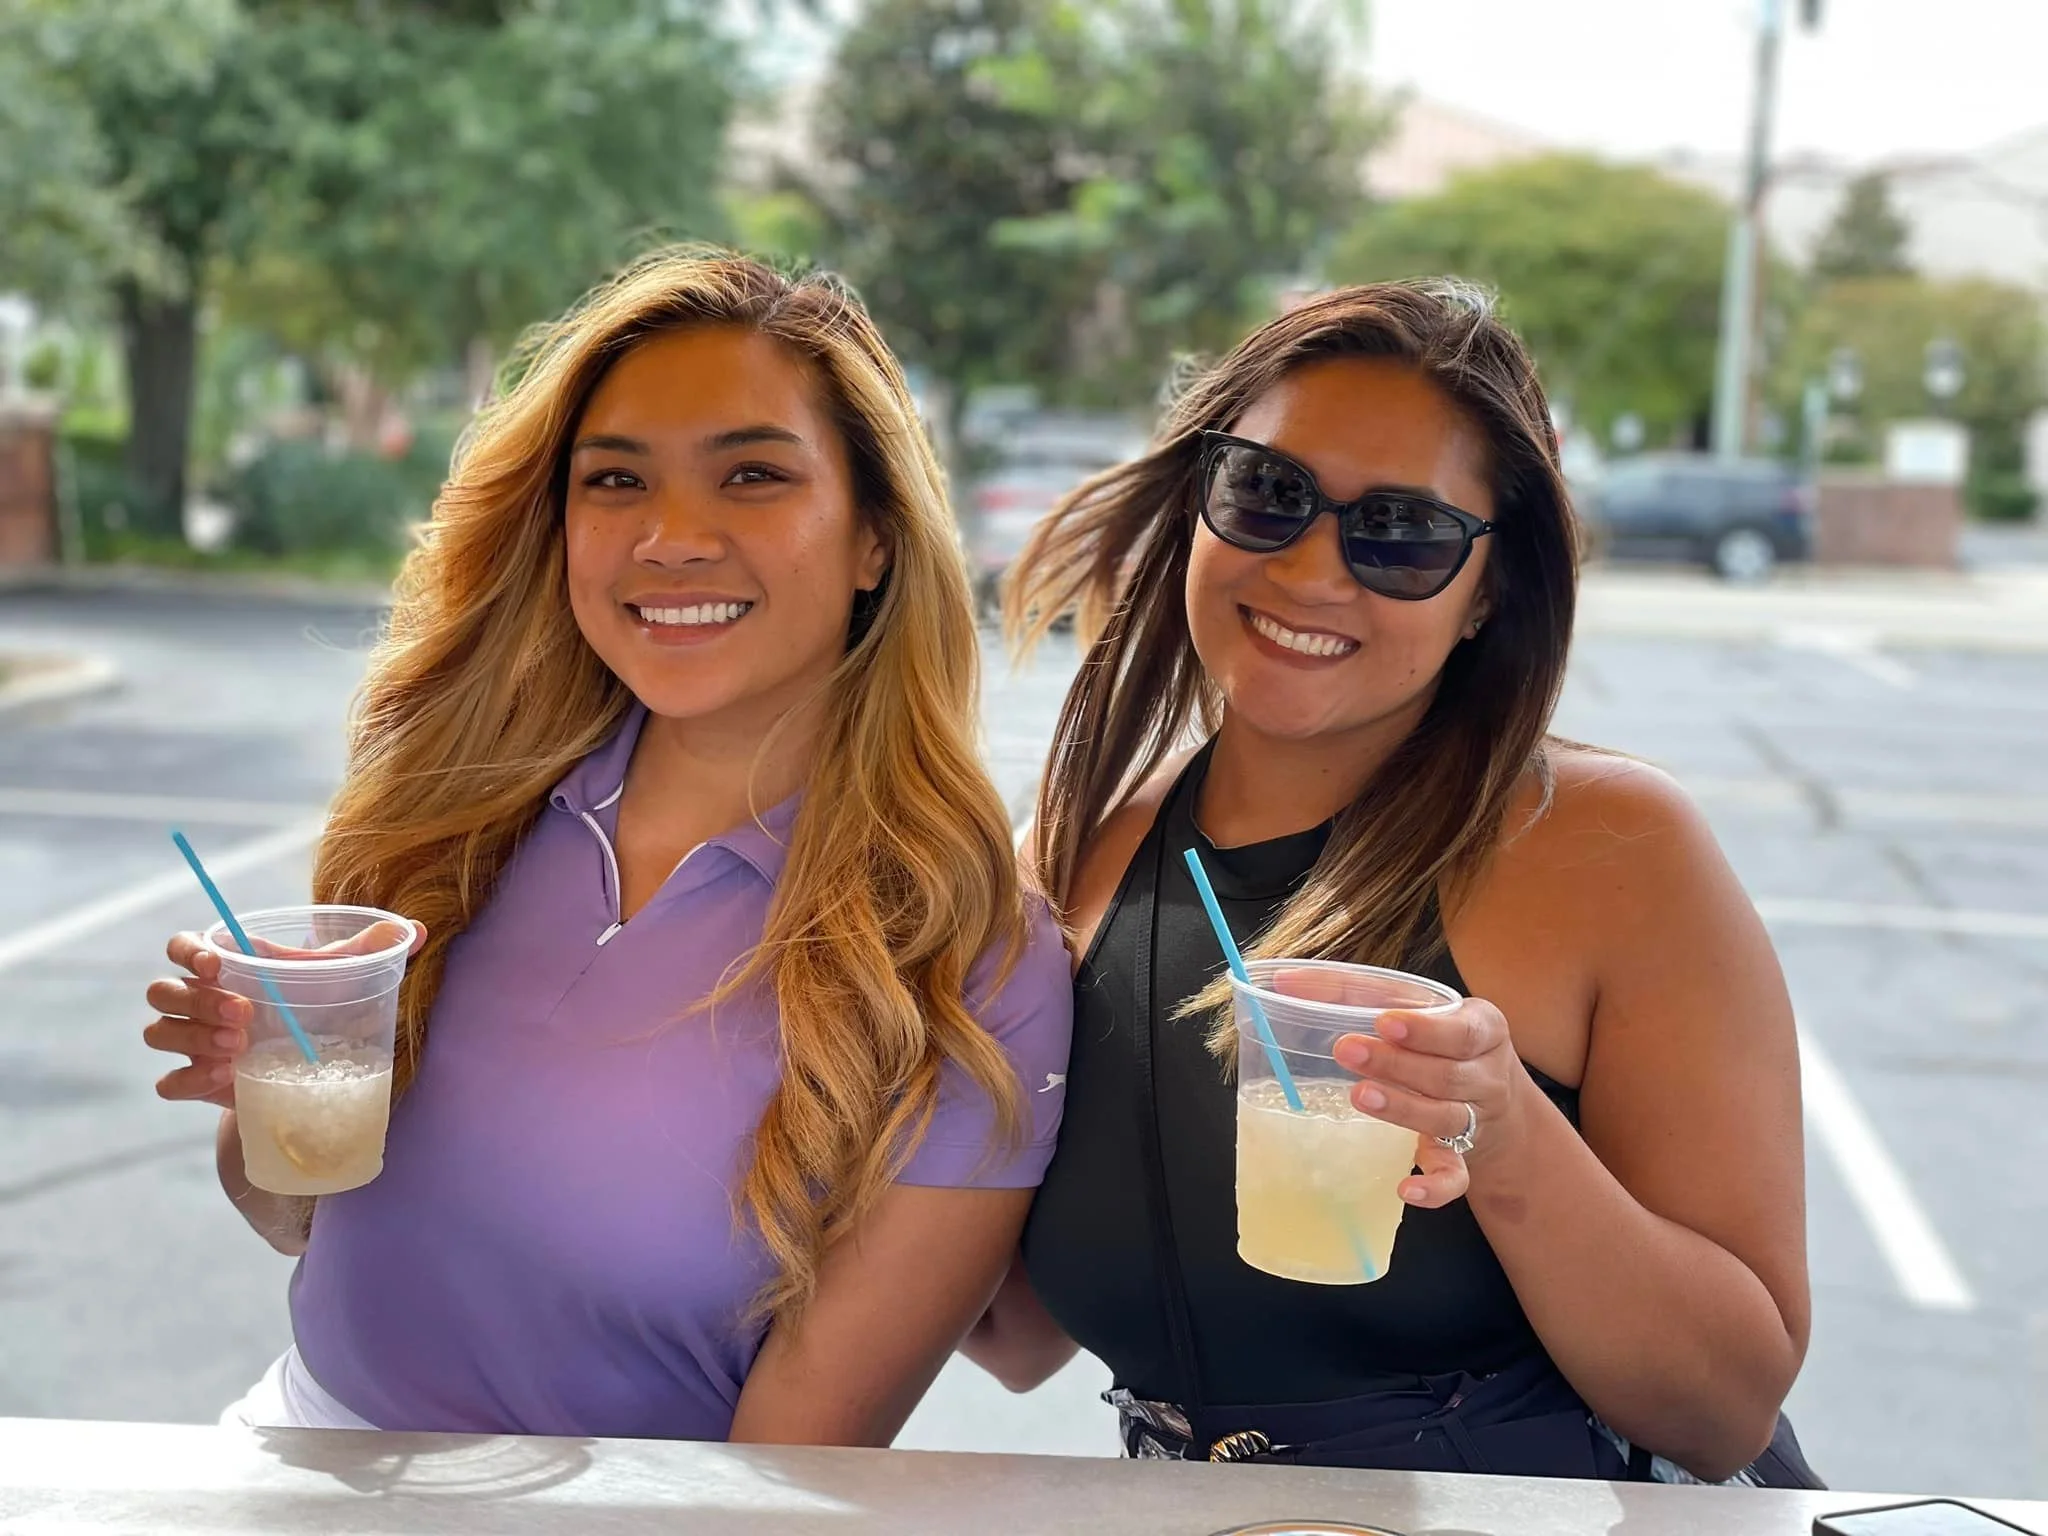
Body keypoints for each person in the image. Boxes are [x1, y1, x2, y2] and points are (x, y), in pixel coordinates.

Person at [142, 249, 1072, 1445]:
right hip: (289, 1469)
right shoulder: (449, 817)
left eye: (752, 475)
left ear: (874, 542)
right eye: (616, 480)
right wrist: (264, 1089)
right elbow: (291, 1218)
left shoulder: (970, 966)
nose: (671, 537)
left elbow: (791, 1481)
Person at [963, 280, 1821, 1487]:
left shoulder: (1613, 849)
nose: (1314, 570)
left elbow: (1722, 1411)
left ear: (1489, 594)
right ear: (1198, 503)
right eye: (1266, 494)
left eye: (1401, 533)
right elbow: (1011, 1331)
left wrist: (1509, 1135)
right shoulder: (1067, 853)